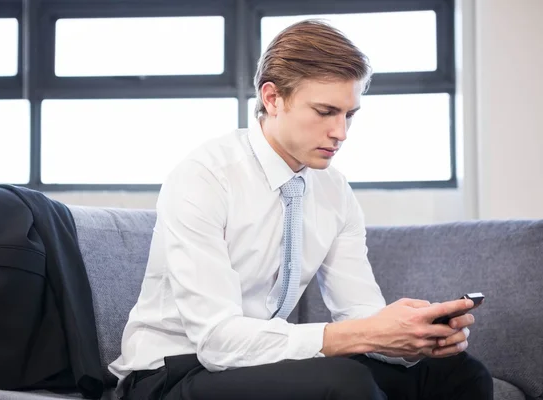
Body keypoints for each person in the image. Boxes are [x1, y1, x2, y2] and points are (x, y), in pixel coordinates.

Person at [109, 20, 494, 400]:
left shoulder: (333, 190)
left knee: (458, 374)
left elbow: (359, 312)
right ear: (273, 98)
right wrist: (368, 334)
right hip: (172, 371)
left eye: (349, 114)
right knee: (344, 382)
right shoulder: (205, 177)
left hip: (259, 363)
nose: (341, 133)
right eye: (325, 111)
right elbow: (217, 340)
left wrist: (408, 338)